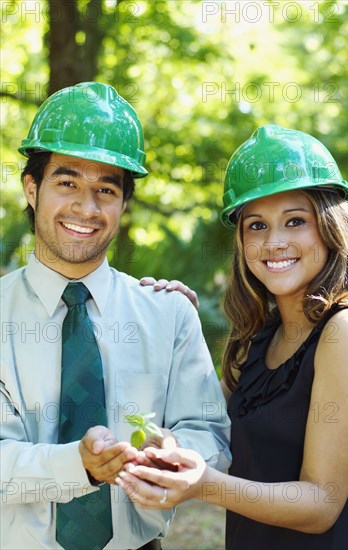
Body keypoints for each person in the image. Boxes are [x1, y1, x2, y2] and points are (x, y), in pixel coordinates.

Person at [0, 82, 231, 550]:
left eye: (106, 190)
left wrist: (175, 458)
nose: (86, 208)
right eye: (67, 183)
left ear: (124, 203)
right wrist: (79, 466)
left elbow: (209, 433)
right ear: (31, 188)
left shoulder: (168, 314)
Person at [116, 125, 348, 550]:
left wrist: (205, 485)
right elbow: (209, 430)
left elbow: (322, 504)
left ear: (329, 225)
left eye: (295, 221)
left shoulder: (347, 333)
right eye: (256, 226)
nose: (275, 242)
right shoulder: (259, 338)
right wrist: (176, 330)